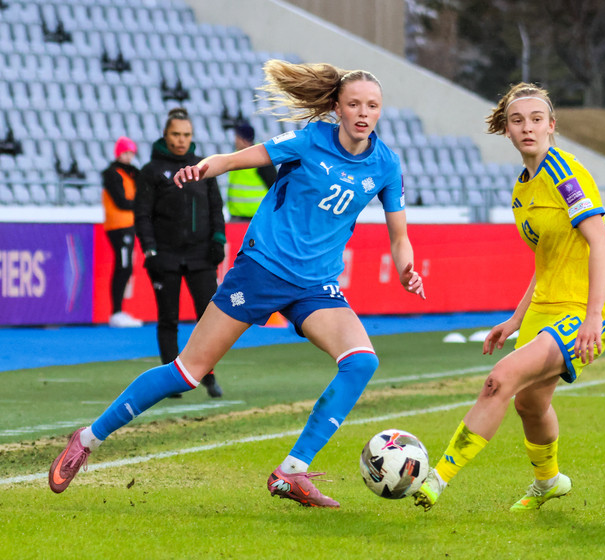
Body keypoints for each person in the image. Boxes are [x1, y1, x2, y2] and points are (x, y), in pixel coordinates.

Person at [48, 60, 426, 507]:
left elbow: (399, 235)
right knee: (187, 372)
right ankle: (87, 439)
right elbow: (234, 160)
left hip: (315, 285)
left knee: (361, 362)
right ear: (337, 108)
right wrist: (200, 169)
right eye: (355, 104)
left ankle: (291, 472)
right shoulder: (309, 140)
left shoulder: (386, 164)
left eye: (373, 106)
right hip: (261, 269)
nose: (364, 113)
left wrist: (407, 268)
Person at [413, 83, 605, 512]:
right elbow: (545, 261)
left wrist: (591, 318)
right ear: (507, 130)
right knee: (530, 404)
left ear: (551, 126)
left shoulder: (565, 176)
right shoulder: (521, 189)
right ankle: (549, 482)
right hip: (543, 308)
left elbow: (600, 243)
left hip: (585, 310)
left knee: (500, 380)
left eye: (535, 119)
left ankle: (436, 479)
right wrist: (514, 319)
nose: (527, 127)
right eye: (517, 120)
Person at [134, 107, 225, 399]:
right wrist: (150, 251)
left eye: (186, 134)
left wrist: (218, 240)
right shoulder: (150, 171)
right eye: (176, 134)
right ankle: (170, 382)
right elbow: (142, 215)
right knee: (168, 319)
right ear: (165, 135)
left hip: (201, 255)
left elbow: (216, 207)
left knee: (208, 320)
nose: (181, 140)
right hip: (165, 255)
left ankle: (208, 374)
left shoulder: (203, 167)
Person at [102, 136, 143, 328]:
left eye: (131, 153)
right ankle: (116, 312)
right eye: (125, 153)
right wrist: (141, 204)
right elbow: (121, 201)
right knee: (123, 267)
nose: (129, 157)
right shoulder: (112, 173)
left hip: (127, 225)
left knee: (125, 267)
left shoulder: (131, 173)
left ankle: (118, 311)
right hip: (119, 226)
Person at [226, 118, 277, 221]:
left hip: (256, 217)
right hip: (237, 216)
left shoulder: (261, 158)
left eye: (237, 137)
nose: (235, 140)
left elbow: (274, 185)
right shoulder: (235, 155)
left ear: (243, 140)